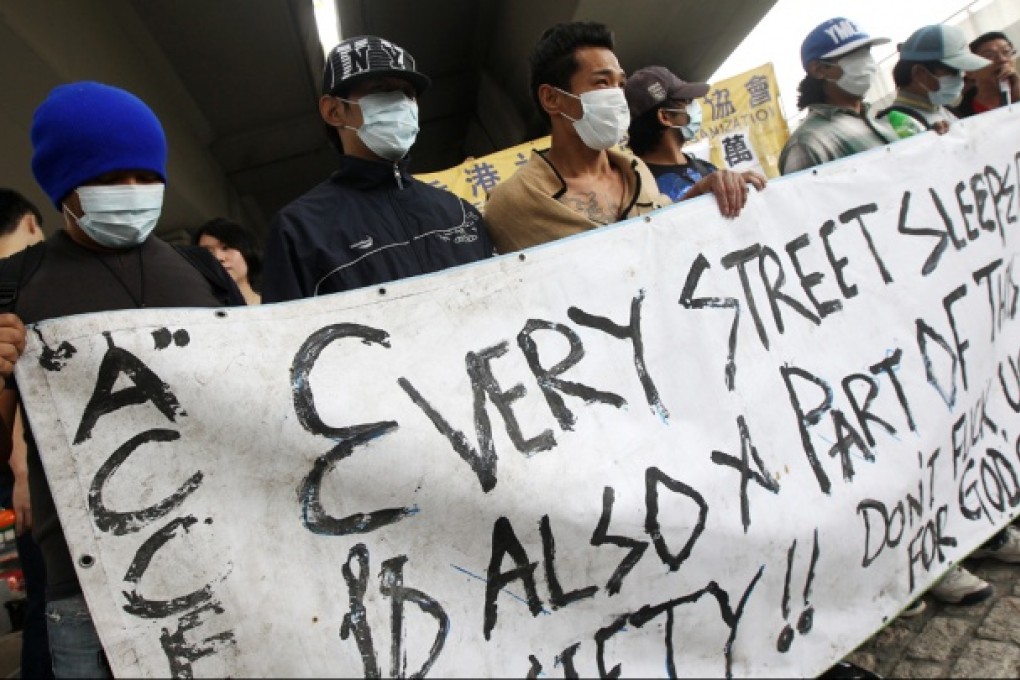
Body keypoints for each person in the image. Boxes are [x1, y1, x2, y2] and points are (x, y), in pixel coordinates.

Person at [0, 81, 244, 678]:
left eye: (145, 176)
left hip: (234, 561)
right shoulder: (16, 286)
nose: (132, 193)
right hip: (90, 593)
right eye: (110, 179)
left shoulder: (202, 273)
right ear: (64, 185)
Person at [261, 36, 493, 302]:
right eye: (381, 90)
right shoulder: (299, 231)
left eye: (408, 93)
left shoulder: (459, 213)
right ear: (334, 111)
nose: (400, 104)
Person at [483, 21, 670, 252]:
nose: (617, 96)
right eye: (602, 82)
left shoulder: (636, 170)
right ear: (551, 99)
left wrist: (704, 195)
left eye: (620, 84)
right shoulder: (512, 203)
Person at [0, 188, 52, 679]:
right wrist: (21, 471)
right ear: (34, 224)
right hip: (35, 470)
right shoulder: (23, 280)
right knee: (51, 604)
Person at [624, 65, 766, 217]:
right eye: (688, 101)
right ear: (665, 117)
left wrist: (735, 186)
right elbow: (654, 231)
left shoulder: (706, 169)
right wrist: (698, 191)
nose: (696, 107)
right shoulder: (636, 185)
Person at [779, 17, 899, 175]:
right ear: (818, 70)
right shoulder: (807, 144)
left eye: (866, 52)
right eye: (853, 56)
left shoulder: (879, 121)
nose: (867, 63)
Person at [877, 25, 990, 136]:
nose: (961, 77)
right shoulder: (893, 123)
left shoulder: (944, 109)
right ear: (920, 73)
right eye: (954, 71)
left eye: (961, 70)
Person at [194, 217, 262, 304]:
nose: (218, 258)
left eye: (226, 248)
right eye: (207, 252)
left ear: (247, 251)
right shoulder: (195, 312)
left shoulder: (278, 306)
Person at [952, 31, 1019, 116]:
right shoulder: (959, 117)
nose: (1002, 59)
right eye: (989, 55)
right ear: (970, 71)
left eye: (1006, 52)